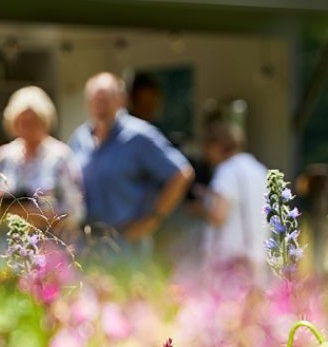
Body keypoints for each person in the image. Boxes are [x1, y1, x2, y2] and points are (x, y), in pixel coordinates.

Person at [68, 72, 194, 252]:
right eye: (95, 101)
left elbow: (182, 173)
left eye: (105, 100)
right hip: (88, 243)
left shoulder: (139, 136)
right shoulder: (80, 137)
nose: (99, 107)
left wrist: (153, 220)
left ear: (120, 100)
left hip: (126, 244)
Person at [0, 87, 84, 235]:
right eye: (22, 122)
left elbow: (76, 211)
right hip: (9, 243)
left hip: (51, 243)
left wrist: (34, 213)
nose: (27, 128)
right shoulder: (3, 157)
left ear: (45, 122)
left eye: (33, 121)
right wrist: (0, 203)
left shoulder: (61, 156)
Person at [194, 119, 270, 275]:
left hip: (229, 256)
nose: (207, 154)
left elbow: (219, 215)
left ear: (217, 146)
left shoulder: (226, 171)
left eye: (208, 147)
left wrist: (198, 208)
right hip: (257, 254)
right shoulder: (259, 169)